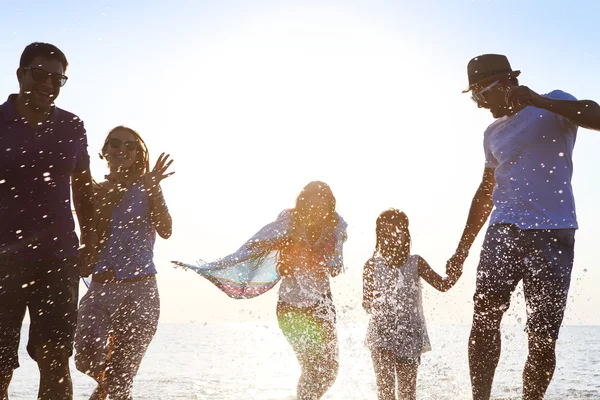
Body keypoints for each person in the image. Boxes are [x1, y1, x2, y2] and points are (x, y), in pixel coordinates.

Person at [447, 54, 600, 400]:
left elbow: (597, 114)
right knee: (485, 318)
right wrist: (462, 250)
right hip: (504, 231)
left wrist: (538, 100)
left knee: (543, 336)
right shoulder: (491, 133)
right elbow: (486, 192)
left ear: (503, 83)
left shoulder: (555, 103)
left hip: (554, 232)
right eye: (475, 98)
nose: (479, 105)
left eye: (481, 96)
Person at [172, 181, 347, 400]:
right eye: (310, 207)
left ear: (329, 208)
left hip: (322, 305)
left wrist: (325, 259)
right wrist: (281, 244)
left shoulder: (336, 226)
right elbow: (253, 245)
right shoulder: (288, 223)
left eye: (321, 208)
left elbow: (337, 267)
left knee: (329, 370)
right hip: (291, 309)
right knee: (312, 368)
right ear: (302, 207)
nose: (315, 213)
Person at [0, 42, 96, 400]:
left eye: (58, 79)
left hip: (58, 258)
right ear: (21, 74)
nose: (49, 84)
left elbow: (83, 191)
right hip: (3, 259)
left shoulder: (72, 126)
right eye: (40, 74)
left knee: (55, 357)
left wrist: (91, 242)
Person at [74, 126, 174, 400]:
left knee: (120, 385)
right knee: (85, 358)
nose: (122, 149)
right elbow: (87, 240)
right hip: (101, 290)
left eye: (130, 146)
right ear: (105, 151)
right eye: (115, 143)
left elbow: (166, 230)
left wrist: (154, 189)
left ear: (140, 155)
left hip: (141, 293)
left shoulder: (148, 187)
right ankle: (112, 385)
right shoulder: (93, 190)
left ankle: (115, 387)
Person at [363, 209, 460, 400]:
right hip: (381, 331)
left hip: (409, 333)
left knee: (407, 394)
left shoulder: (415, 262)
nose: (392, 235)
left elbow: (442, 285)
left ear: (405, 234)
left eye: (397, 230)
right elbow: (366, 304)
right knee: (385, 392)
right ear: (380, 235)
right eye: (386, 231)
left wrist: (456, 270)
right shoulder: (371, 266)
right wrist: (376, 301)